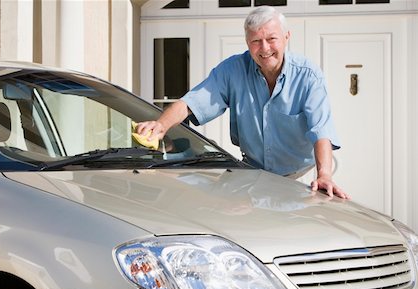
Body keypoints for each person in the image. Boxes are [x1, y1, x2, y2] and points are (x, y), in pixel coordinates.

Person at [136, 6, 350, 199]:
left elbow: (321, 130)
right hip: (253, 174)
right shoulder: (232, 70)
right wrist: (161, 125)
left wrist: (324, 175)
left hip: (301, 176)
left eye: (271, 39)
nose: (264, 48)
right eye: (256, 41)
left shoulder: (308, 76)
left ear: (286, 36)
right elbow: (192, 102)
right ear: (248, 43)